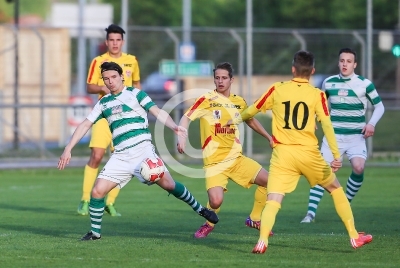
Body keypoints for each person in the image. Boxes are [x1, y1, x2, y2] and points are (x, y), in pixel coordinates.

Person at [227, 50, 372, 253]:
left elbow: (252, 110)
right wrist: (337, 155)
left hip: (283, 155)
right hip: (309, 154)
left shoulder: (277, 89)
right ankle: (354, 237)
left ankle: (262, 241)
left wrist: (234, 119)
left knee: (273, 200)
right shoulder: (317, 95)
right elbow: (327, 125)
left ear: (293, 69)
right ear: (312, 71)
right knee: (335, 189)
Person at [58, 61, 218, 240]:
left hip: (144, 152)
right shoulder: (103, 103)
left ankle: (201, 210)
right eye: (106, 79)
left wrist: (174, 127)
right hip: (121, 156)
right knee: (97, 191)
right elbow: (85, 124)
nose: (110, 81)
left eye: (113, 77)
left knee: (170, 185)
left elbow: (157, 111)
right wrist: (68, 148)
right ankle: (95, 233)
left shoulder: (136, 94)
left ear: (121, 77)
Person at [177, 62, 274, 238]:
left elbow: (250, 120)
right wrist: (181, 136)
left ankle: (254, 218)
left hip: (237, 159)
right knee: (215, 201)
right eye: (217, 78)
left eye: (224, 78)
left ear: (231, 80)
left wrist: (269, 137)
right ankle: (208, 223)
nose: (220, 81)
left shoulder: (239, 102)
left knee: (270, 182)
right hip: (214, 163)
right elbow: (186, 117)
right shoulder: (207, 100)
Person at [300, 48, 385, 223]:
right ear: (338, 63)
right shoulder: (329, 83)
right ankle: (310, 214)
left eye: (348, 61)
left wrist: (371, 123)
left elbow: (380, 106)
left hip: (356, 138)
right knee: (322, 172)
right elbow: (321, 106)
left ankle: (345, 203)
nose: (345, 64)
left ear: (355, 64)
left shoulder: (364, 84)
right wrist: (314, 119)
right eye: (342, 60)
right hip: (334, 138)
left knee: (359, 168)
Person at [77, 24, 142, 217]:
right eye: (111, 40)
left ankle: (110, 202)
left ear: (122, 41)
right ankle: (85, 199)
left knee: (125, 160)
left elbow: (137, 84)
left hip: (125, 118)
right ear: (106, 42)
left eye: (118, 40)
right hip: (105, 116)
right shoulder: (99, 61)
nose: (115, 43)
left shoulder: (132, 61)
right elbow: (89, 86)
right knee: (97, 155)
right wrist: (102, 89)